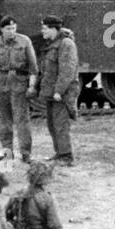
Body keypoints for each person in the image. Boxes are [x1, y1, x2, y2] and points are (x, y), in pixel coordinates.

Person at [0, 16, 38, 163]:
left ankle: (26, 154)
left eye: (14, 28)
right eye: (8, 29)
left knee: (22, 120)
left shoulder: (25, 41)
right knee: (5, 121)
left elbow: (33, 68)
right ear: (2, 29)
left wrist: (32, 86)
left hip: (20, 84)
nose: (11, 31)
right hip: (2, 85)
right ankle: (7, 152)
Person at [38, 15, 79, 166]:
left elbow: (67, 70)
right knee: (52, 123)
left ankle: (67, 157)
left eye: (44, 28)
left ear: (53, 28)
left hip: (62, 93)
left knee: (61, 124)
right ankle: (59, 153)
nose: (42, 31)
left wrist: (59, 91)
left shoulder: (66, 44)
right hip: (51, 91)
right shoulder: (53, 43)